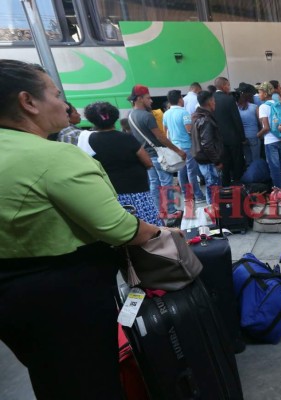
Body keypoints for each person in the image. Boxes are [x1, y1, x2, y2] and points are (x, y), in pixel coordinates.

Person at [0, 59, 161, 399]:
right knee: (90, 378)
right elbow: (119, 228)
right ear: (28, 102)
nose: (64, 103)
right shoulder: (55, 157)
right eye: (56, 94)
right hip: (64, 296)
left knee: (50, 374)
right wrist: (161, 234)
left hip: (11, 298)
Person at [81, 101, 163, 226]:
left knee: (128, 227)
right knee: (151, 224)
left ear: (92, 120)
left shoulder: (90, 140)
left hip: (114, 194)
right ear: (114, 117)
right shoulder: (127, 138)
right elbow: (148, 162)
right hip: (139, 192)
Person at [128, 84, 186, 219]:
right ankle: (171, 211)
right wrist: (178, 151)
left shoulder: (131, 115)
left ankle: (157, 211)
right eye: (148, 98)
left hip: (146, 156)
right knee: (166, 182)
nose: (151, 101)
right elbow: (160, 137)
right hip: (157, 155)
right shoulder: (147, 116)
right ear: (140, 98)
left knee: (154, 183)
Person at [163, 90, 206, 203]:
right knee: (191, 172)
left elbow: (165, 131)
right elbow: (189, 130)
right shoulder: (184, 113)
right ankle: (198, 196)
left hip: (175, 147)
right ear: (179, 99)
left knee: (181, 172)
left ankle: (187, 196)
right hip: (187, 146)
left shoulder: (166, 114)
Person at [190, 90, 224, 205]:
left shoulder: (197, 116)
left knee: (212, 188)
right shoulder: (205, 120)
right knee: (213, 189)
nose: (215, 103)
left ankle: (214, 214)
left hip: (203, 159)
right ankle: (215, 216)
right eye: (214, 100)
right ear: (210, 102)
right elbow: (207, 144)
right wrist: (217, 161)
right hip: (209, 161)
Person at [213, 76, 246, 186]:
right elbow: (236, 119)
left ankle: (225, 186)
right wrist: (242, 137)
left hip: (218, 138)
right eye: (228, 85)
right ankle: (237, 185)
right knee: (237, 162)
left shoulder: (211, 99)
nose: (229, 87)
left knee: (225, 164)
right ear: (223, 86)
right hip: (233, 137)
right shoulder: (229, 99)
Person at [256, 81, 281, 188]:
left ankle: (278, 191)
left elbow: (266, 127)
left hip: (270, 142)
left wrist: (258, 135)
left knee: (275, 167)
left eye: (260, 92)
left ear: (265, 94)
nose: (258, 95)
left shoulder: (263, 107)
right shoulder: (278, 104)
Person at [235, 82, 261, 165]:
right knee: (256, 159)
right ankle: (257, 176)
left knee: (248, 160)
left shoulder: (236, 108)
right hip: (254, 135)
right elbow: (260, 122)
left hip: (243, 138)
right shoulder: (254, 107)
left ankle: (249, 175)